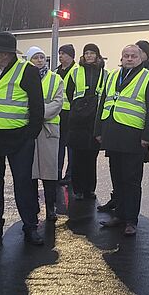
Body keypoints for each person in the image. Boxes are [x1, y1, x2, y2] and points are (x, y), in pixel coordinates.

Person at [0, 32, 45, 244]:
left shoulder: (27, 71)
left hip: (18, 138)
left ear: (4, 54)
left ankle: (30, 226)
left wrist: (30, 136)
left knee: (23, 183)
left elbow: (37, 107)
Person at [94, 45, 149, 235]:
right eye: (126, 56)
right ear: (121, 58)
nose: (130, 59)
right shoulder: (113, 76)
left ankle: (131, 220)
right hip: (113, 134)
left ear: (141, 58)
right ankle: (120, 214)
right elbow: (103, 103)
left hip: (133, 137)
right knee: (117, 177)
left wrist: (147, 137)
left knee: (131, 180)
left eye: (133, 56)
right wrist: (98, 130)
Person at [27, 46, 65, 222]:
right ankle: (32, 207)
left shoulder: (55, 79)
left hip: (48, 130)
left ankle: (51, 208)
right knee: (30, 172)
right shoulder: (24, 78)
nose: (40, 60)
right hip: (29, 130)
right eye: (35, 57)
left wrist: (38, 114)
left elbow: (58, 102)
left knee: (49, 173)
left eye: (42, 57)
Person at [65, 43, 107, 201]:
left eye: (92, 53)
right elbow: (68, 92)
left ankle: (90, 188)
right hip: (78, 119)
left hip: (95, 119)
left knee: (91, 157)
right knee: (77, 157)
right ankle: (78, 189)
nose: (89, 55)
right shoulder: (75, 71)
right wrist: (77, 108)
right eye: (86, 53)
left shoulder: (104, 73)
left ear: (97, 55)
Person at [55, 44, 77, 187]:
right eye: (60, 53)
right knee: (59, 144)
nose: (61, 56)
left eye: (64, 53)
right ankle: (57, 172)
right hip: (58, 112)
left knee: (70, 145)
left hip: (71, 112)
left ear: (71, 56)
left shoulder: (76, 71)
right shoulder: (57, 71)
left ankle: (70, 174)